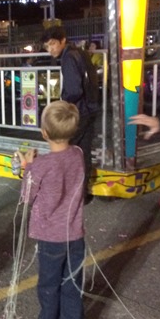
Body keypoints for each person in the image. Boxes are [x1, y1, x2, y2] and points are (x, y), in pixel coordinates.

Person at [18, 100, 87, 319]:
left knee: (49, 284)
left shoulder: (41, 165)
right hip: (75, 235)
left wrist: (27, 167)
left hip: (50, 237)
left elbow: (27, 196)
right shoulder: (78, 153)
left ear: (44, 133)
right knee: (72, 285)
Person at [42, 26, 99, 204]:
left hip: (77, 112)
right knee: (83, 153)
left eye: (52, 44)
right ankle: (82, 195)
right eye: (47, 46)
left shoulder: (68, 58)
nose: (50, 49)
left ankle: (65, 195)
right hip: (90, 109)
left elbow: (74, 90)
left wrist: (62, 103)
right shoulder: (80, 53)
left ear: (63, 40)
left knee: (63, 151)